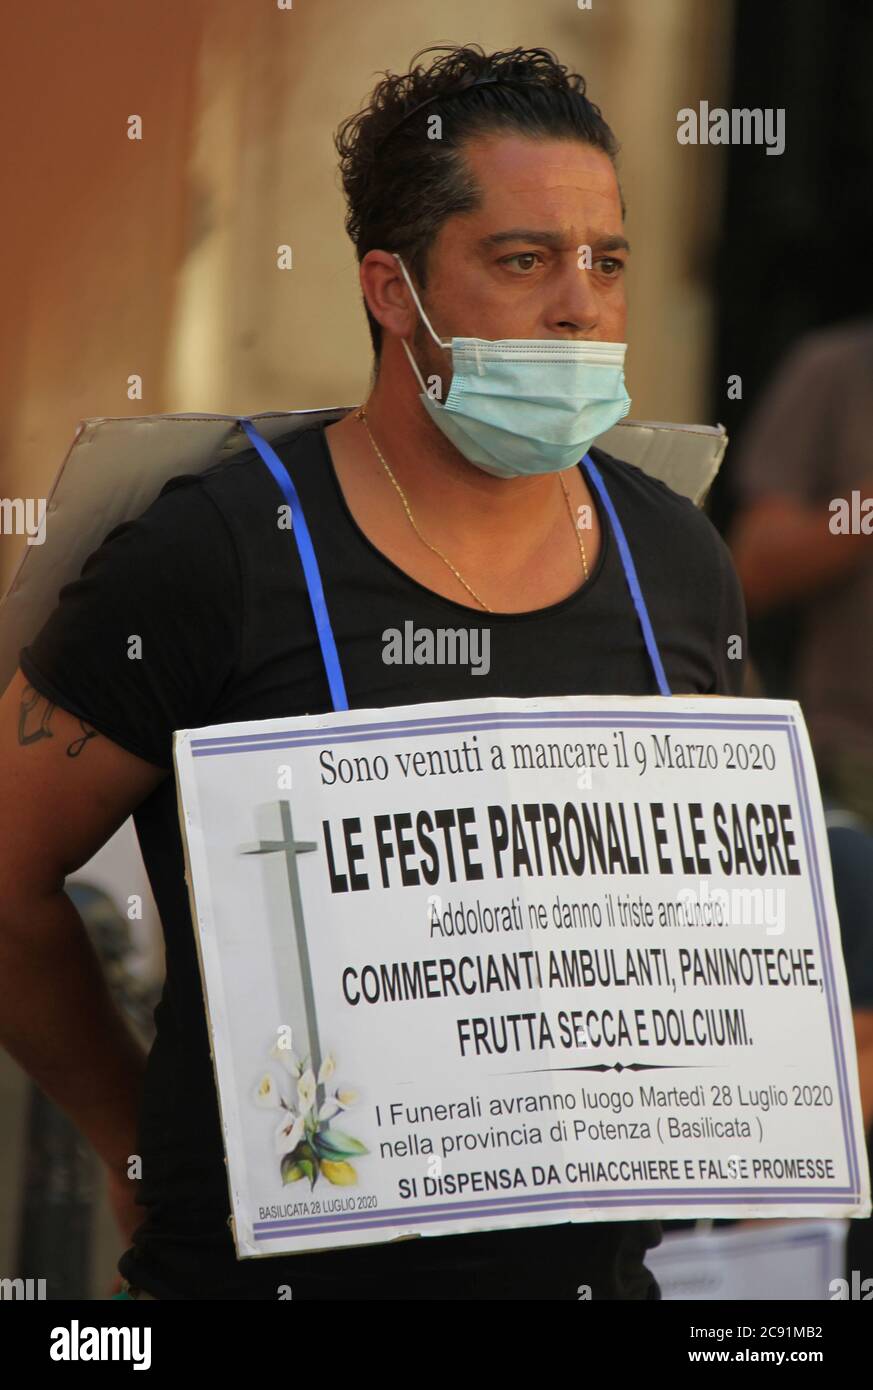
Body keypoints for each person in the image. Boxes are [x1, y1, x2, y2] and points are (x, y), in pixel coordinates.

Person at [0, 43, 745, 1300]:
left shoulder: (673, 556)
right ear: (392, 291)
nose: (581, 305)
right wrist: (137, 1135)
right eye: (524, 260)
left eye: (606, 263)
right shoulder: (214, 556)